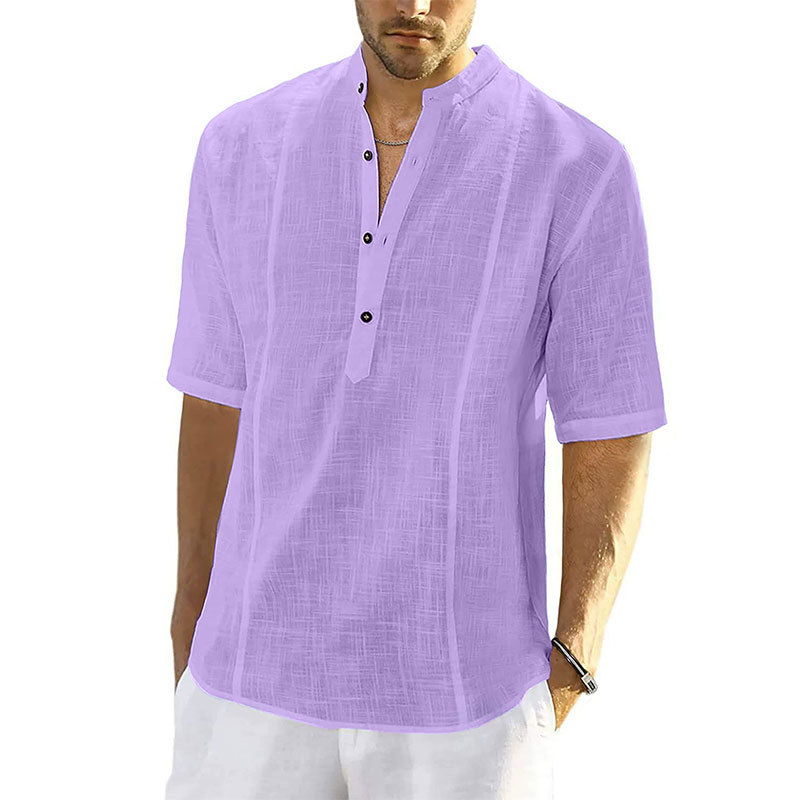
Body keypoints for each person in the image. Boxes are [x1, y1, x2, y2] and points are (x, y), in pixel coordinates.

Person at [163, 2, 667, 798]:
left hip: (467, 696)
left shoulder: (574, 166)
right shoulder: (242, 146)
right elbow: (216, 397)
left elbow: (610, 421)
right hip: (246, 684)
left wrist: (575, 651)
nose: (418, 5)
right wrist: (190, 619)